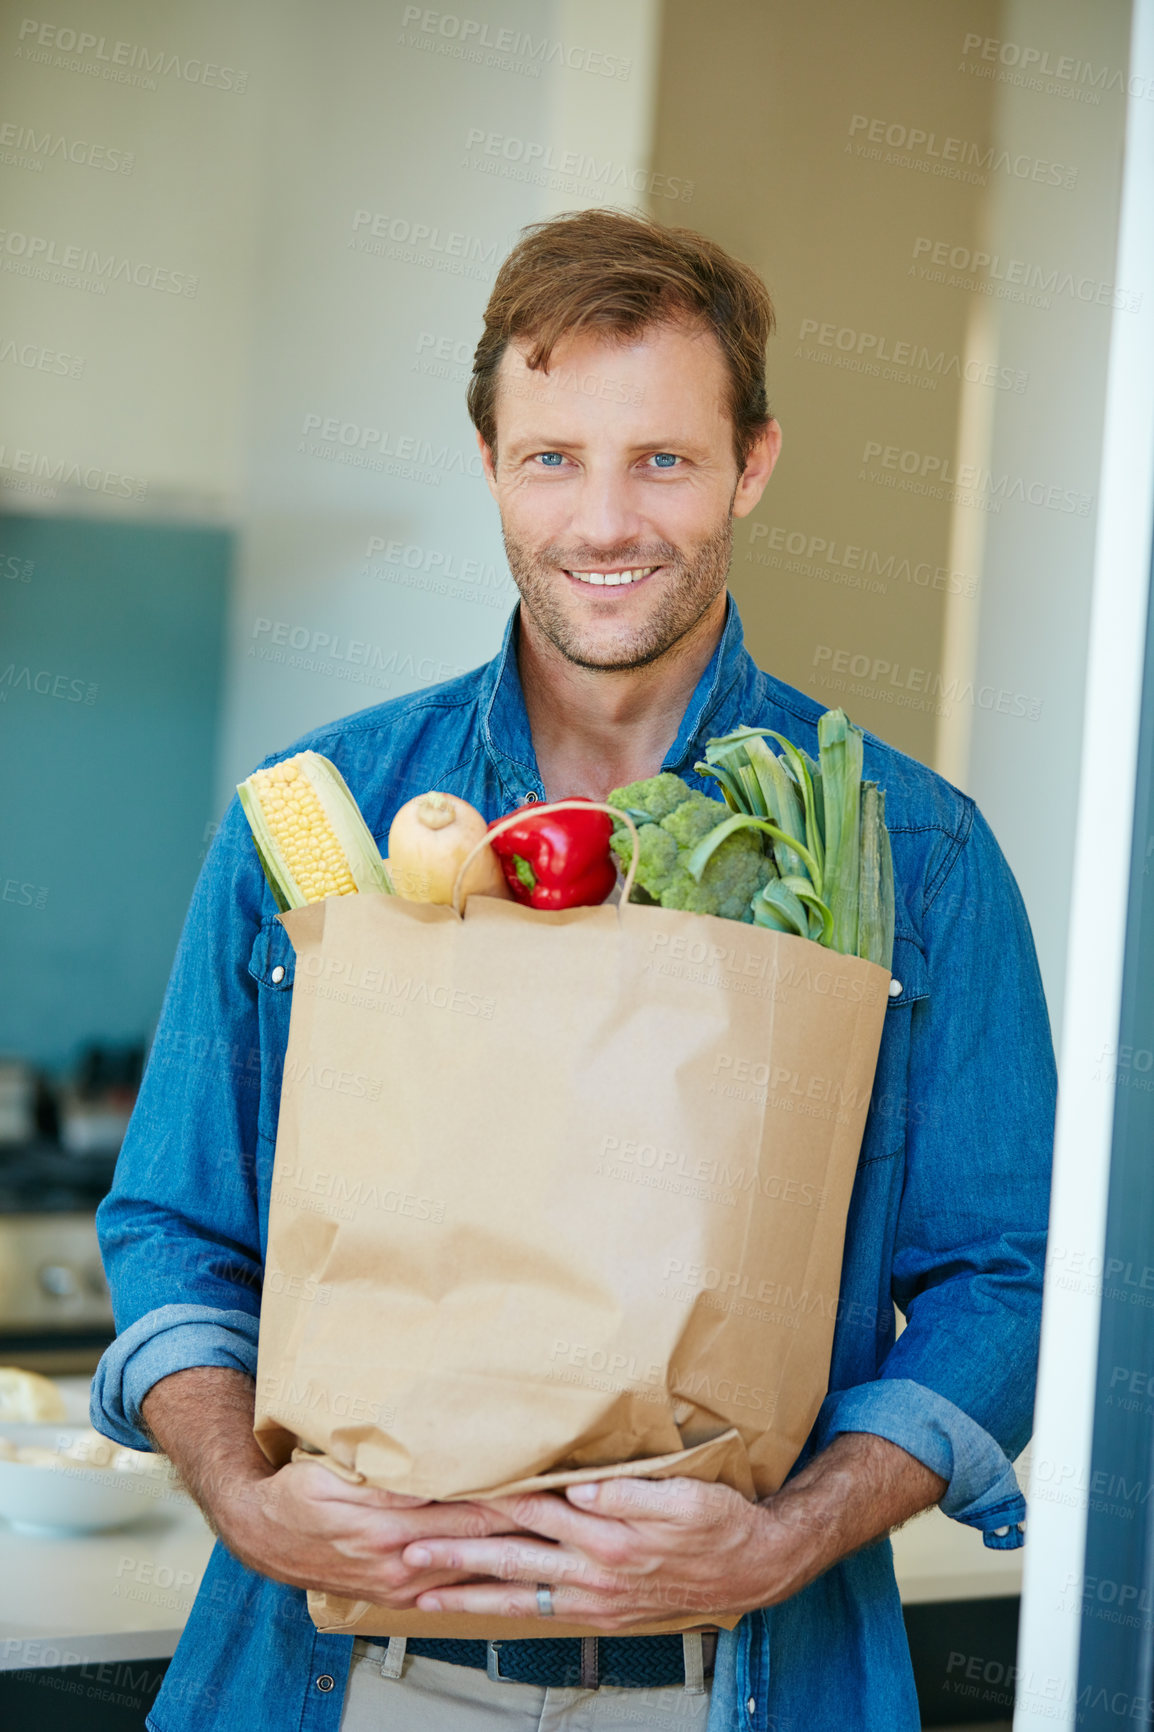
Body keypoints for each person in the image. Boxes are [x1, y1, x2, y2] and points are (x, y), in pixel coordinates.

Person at [92, 209, 1055, 1732]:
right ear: (487, 465)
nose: (604, 521)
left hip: (741, 1679)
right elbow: (171, 1221)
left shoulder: (913, 856)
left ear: (752, 464)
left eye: (662, 460)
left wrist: (787, 1535)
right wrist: (239, 1490)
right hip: (330, 1675)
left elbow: (1004, 1274)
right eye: (551, 458)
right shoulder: (314, 814)